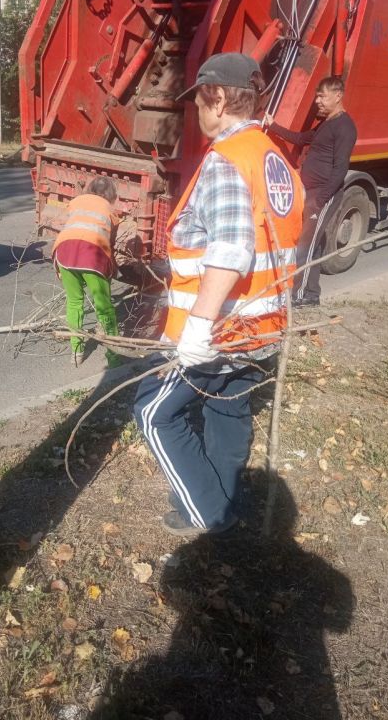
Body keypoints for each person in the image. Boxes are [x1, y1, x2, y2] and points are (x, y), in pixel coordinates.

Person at [133, 52, 304, 537]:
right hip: (261, 328)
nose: (197, 112)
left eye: (200, 102)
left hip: (219, 330)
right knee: (226, 408)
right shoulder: (275, 159)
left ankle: (208, 513)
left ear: (221, 97)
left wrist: (198, 328)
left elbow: (230, 248)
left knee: (151, 412)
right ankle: (226, 500)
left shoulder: (227, 161)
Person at [264, 77, 357, 307]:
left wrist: (321, 200)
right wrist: (273, 126)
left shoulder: (345, 127)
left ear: (338, 95)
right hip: (311, 193)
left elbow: (340, 168)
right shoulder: (326, 123)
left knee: (305, 245)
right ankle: (311, 294)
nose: (317, 101)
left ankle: (300, 296)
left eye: (322, 96)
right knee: (310, 244)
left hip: (323, 195)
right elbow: (301, 138)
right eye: (316, 96)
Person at [52, 176, 122, 368]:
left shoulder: (75, 202)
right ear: (110, 194)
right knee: (104, 307)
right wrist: (111, 271)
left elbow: (69, 226)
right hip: (91, 257)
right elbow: (109, 243)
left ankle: (76, 352)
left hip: (64, 251)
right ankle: (114, 356)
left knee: (74, 302)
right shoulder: (110, 210)